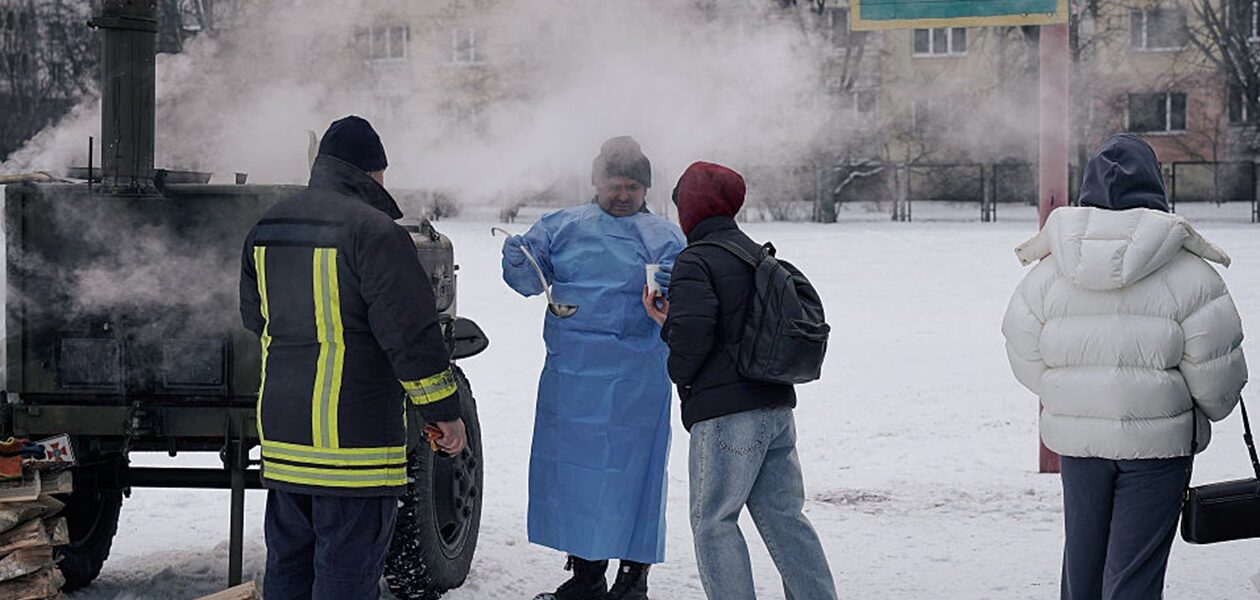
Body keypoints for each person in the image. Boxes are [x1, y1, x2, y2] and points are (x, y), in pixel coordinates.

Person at [1002, 134, 1247, 600]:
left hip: (1079, 445)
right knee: (1135, 573)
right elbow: (1217, 375)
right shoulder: (1190, 272)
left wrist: (1071, 395)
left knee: (1082, 566)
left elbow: (1022, 348)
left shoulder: (1049, 270)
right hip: (1159, 449)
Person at [239, 115, 467, 599]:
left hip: (284, 440)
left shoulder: (267, 226)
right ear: (371, 173)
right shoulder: (376, 232)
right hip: (352, 448)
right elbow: (410, 336)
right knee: (346, 577)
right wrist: (445, 414)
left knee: (289, 572)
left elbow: (256, 318)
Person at [643, 161, 838, 600]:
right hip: (775, 409)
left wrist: (666, 331)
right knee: (786, 518)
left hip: (726, 416)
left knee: (713, 522)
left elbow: (693, 340)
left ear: (691, 209)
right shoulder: (756, 255)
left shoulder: (696, 260)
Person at [501, 136, 684, 600]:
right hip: (573, 379)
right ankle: (586, 575)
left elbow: (690, 302)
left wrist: (676, 283)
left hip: (638, 379)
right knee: (575, 476)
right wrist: (518, 258)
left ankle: (633, 578)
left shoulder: (665, 237)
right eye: (613, 184)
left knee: (635, 475)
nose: (622, 195)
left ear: (646, 190)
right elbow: (527, 281)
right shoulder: (561, 227)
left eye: (633, 187)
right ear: (595, 182)